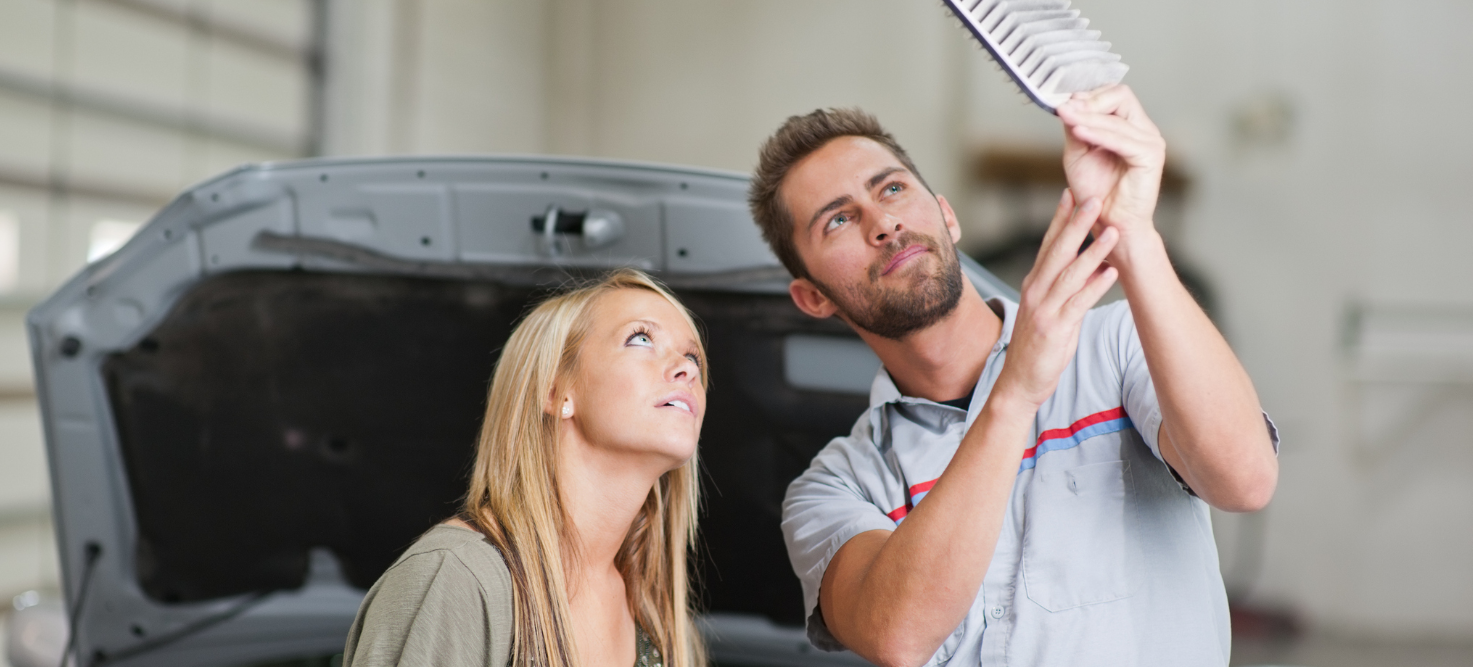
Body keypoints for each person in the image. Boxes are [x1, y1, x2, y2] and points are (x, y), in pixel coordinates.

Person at [750, 86, 1280, 667]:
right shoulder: (835, 487)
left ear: (946, 215)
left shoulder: (1119, 344)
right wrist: (1016, 391)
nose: (884, 223)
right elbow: (897, 634)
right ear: (812, 298)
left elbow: (1245, 480)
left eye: (893, 188)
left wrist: (1133, 235)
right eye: (839, 220)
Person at [342, 269, 709, 667]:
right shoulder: (457, 578)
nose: (686, 369)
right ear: (554, 391)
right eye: (641, 339)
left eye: (693, 357)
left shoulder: (655, 619)